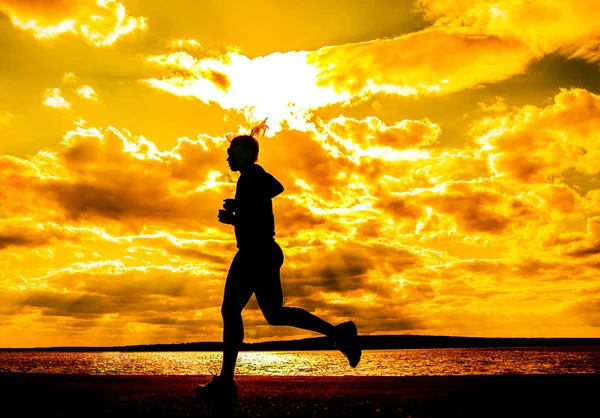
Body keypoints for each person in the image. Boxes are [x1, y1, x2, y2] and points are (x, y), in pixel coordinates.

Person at [195, 133, 361, 401]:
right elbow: (267, 201)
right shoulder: (250, 177)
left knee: (231, 309)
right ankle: (339, 334)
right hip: (264, 252)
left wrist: (234, 217)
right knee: (274, 314)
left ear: (246, 155)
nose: (227, 157)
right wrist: (241, 208)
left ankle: (227, 382)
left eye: (231, 152)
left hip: (255, 252)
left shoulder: (251, 174)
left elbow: (271, 197)